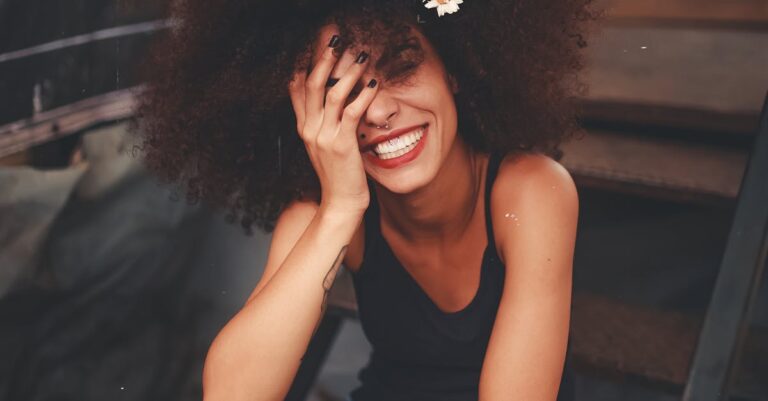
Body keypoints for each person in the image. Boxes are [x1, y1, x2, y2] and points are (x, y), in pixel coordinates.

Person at [134, 0, 596, 399]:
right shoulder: (324, 211)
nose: (376, 111)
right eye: (340, 91)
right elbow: (233, 395)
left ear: (453, 68)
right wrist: (341, 208)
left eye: (401, 68)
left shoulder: (532, 190)